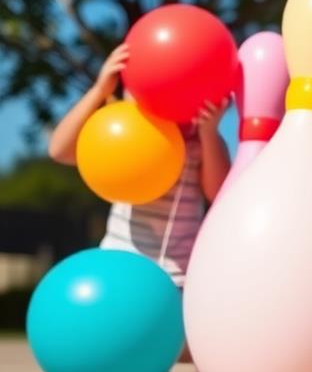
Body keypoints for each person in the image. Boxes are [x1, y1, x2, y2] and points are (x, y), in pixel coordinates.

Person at [48, 42, 231, 289]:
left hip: (176, 276)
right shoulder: (122, 132)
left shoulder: (201, 142)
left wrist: (209, 132)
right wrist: (100, 90)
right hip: (118, 261)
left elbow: (218, 193)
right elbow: (60, 150)